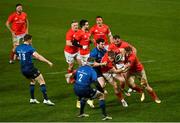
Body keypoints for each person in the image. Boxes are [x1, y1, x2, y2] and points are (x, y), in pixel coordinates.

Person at [15, 34, 55, 106]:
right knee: (41, 81)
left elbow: (17, 57)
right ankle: (46, 100)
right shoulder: (30, 48)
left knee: (32, 81)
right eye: (31, 39)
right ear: (29, 40)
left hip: (23, 70)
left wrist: (29, 58)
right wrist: (48, 62)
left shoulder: (18, 48)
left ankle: (32, 99)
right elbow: (38, 56)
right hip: (30, 68)